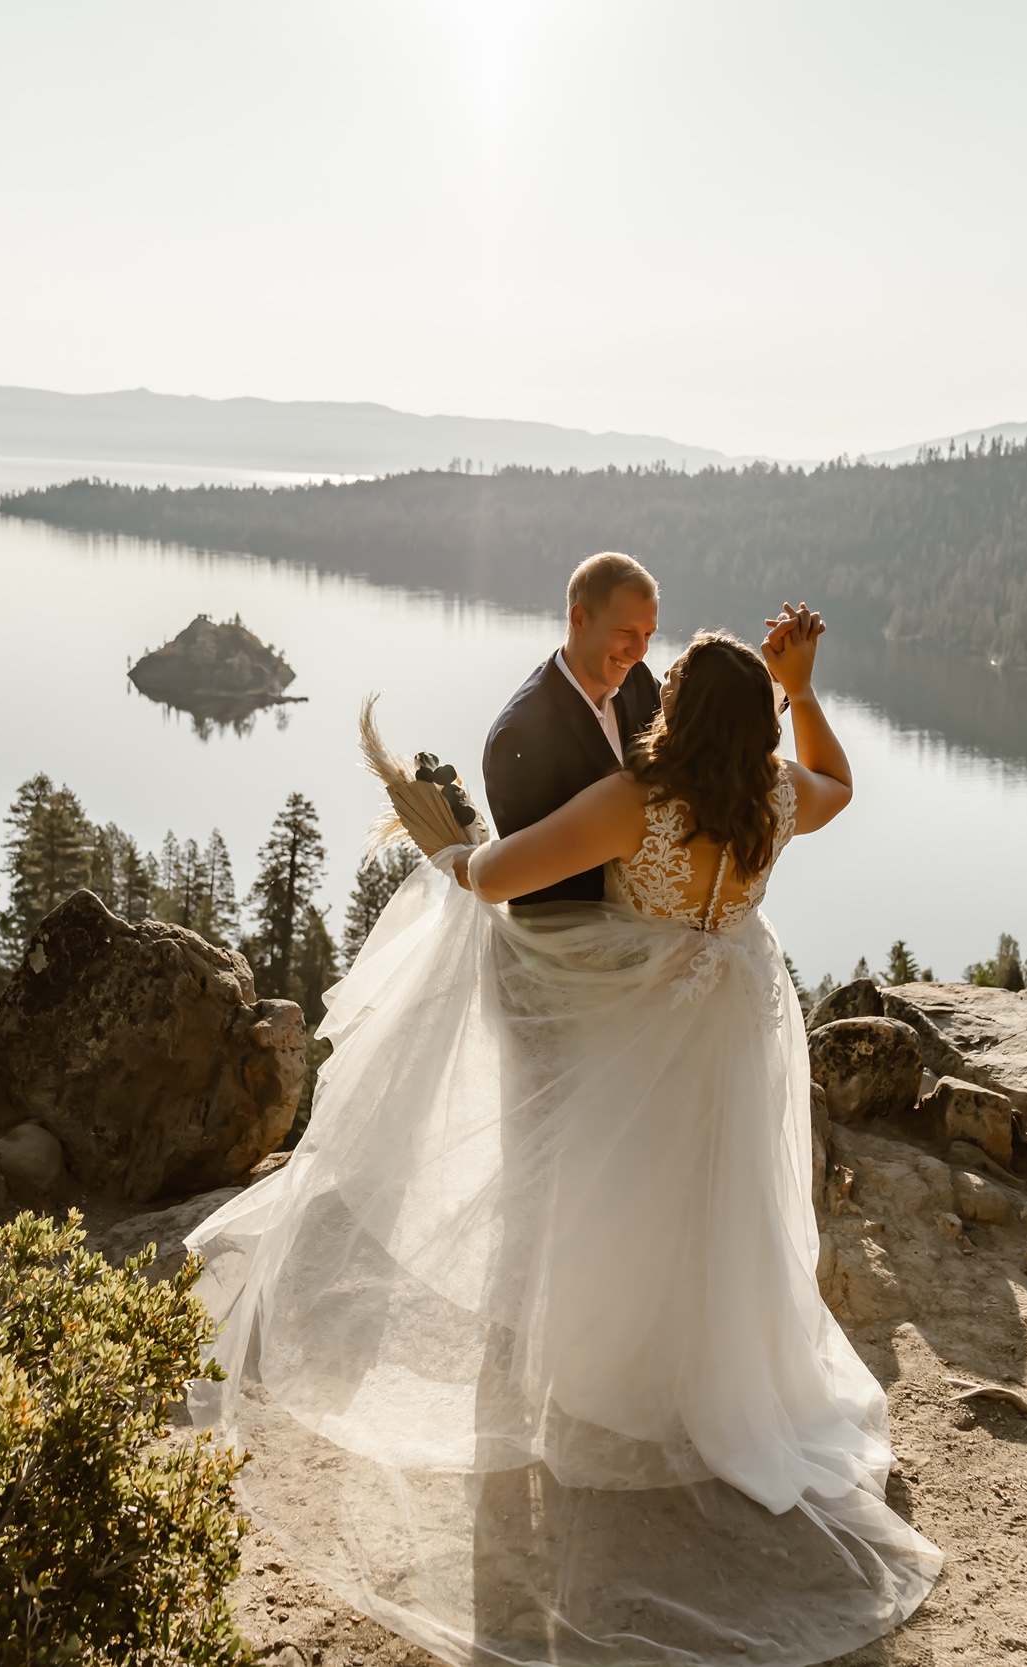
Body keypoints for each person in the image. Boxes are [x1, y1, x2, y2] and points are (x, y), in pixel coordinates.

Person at [183, 599, 940, 1667]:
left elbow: (499, 878)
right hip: (732, 1025)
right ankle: (722, 1384)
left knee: (619, 1190)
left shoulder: (638, 801)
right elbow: (841, 784)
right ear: (757, 724)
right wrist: (804, 688)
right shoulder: (772, 797)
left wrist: (449, 857)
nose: (653, 694)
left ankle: (617, 1384)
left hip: (634, 1029)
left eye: (667, 689)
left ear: (678, 713)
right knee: (720, 1197)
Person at [480, 552, 663, 904]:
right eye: (626, 632)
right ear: (579, 618)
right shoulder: (520, 735)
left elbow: (700, 739)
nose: (639, 652)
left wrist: (781, 685)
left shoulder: (638, 682)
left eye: (648, 634)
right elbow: (534, 887)